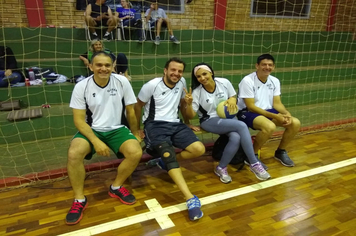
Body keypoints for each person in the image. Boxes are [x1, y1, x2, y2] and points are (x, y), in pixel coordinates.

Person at [65, 51, 142, 225]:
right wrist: (96, 141)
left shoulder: (122, 82)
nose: (103, 68)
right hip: (92, 129)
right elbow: (78, 120)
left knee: (135, 152)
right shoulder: (81, 86)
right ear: (91, 66)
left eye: (107, 65)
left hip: (117, 128)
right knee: (74, 153)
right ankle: (79, 199)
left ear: (113, 67)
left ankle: (116, 187)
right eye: (99, 65)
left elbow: (131, 111)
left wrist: (136, 133)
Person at [134, 57, 205, 221]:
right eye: (173, 70)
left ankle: (163, 163)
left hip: (176, 123)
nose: (176, 73)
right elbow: (137, 106)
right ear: (165, 70)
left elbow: (182, 105)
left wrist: (187, 120)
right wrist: (137, 128)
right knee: (168, 153)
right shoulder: (152, 85)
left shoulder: (182, 83)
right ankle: (190, 199)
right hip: (155, 124)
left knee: (198, 149)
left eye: (180, 71)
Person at [184, 63, 271, 183]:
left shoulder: (224, 82)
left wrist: (232, 99)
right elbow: (190, 115)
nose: (202, 78)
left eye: (204, 74)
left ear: (211, 73)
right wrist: (188, 104)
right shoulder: (197, 92)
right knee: (241, 125)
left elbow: (233, 96)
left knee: (235, 137)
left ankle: (221, 168)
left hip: (227, 117)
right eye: (199, 76)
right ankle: (254, 162)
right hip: (209, 120)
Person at [237, 54, 301, 167]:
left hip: (267, 111)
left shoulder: (274, 81)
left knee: (295, 123)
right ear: (257, 66)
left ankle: (280, 152)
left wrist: (286, 113)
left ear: (274, 67)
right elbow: (251, 106)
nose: (267, 67)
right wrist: (276, 116)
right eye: (264, 64)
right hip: (247, 112)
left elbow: (277, 103)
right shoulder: (247, 81)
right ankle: (252, 155)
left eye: (270, 65)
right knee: (269, 126)